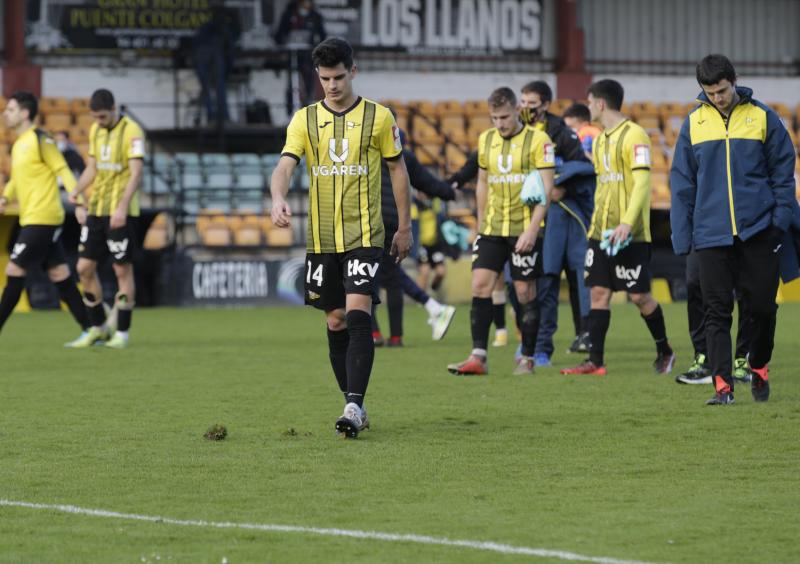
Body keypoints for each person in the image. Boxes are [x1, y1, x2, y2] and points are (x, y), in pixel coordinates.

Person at [270, 37, 412, 438]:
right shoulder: (304, 120)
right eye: (324, 78)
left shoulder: (379, 118)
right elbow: (285, 164)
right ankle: (354, 401)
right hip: (322, 238)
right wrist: (277, 197)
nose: (331, 85)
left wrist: (404, 227)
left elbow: (399, 172)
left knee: (356, 313)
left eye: (338, 77)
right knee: (334, 320)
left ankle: (353, 405)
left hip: (365, 234)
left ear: (353, 71)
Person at [670, 54, 796, 405]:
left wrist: (778, 222)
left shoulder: (763, 118)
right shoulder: (693, 124)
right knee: (716, 310)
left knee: (761, 308)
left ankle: (759, 366)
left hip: (759, 231)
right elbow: (682, 185)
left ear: (734, 81)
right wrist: (684, 236)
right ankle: (722, 386)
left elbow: (783, 175)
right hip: (710, 234)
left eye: (722, 90)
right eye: (710, 93)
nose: (718, 98)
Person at [561, 79, 675, 377]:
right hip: (600, 233)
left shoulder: (635, 135)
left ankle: (665, 350)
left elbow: (643, 183)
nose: (588, 108)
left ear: (600, 103)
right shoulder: (599, 140)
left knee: (639, 296)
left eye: (589, 103)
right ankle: (595, 362)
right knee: (598, 293)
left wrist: (627, 222)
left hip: (631, 233)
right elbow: (603, 185)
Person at [447, 87, 555, 376]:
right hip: (493, 227)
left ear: (516, 111)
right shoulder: (486, 140)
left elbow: (547, 187)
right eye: (494, 118)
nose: (500, 123)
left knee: (523, 291)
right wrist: (481, 222)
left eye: (505, 117)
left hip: (524, 228)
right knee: (480, 285)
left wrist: (533, 229)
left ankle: (528, 358)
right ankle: (478, 356)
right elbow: (482, 181)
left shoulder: (539, 140)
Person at [0, 91, 92, 345]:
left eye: (11, 109)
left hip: (44, 217)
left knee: (14, 269)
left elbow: (62, 168)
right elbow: (17, 179)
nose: (6, 113)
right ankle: (91, 328)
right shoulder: (19, 144)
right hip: (32, 217)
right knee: (59, 274)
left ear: (25, 113)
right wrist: (5, 197)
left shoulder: (41, 140)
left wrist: (79, 199)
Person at [518, 81, 593, 364]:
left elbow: (585, 166)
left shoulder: (560, 132)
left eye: (531, 104)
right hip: (524, 219)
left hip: (557, 219)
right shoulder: (515, 132)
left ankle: (541, 347)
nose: (526, 109)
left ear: (546, 105)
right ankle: (528, 340)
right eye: (523, 103)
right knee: (523, 285)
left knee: (548, 283)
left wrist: (559, 184)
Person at [67, 89, 145, 349]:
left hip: (121, 212)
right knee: (83, 269)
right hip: (97, 209)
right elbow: (93, 167)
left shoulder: (132, 131)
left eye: (102, 116)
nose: (98, 121)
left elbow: (136, 174)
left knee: (122, 269)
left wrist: (122, 207)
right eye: (95, 117)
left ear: (113, 109)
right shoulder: (95, 130)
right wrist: (77, 190)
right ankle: (98, 327)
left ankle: (122, 332)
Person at [372, 139, 457, 347]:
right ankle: (396, 336)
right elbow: (427, 182)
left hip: (372, 220)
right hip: (395, 222)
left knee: (366, 276)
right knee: (391, 277)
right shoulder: (402, 152)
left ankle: (373, 333)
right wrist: (450, 191)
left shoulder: (366, 149)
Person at [193, 4, 241, 125]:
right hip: (211, 57)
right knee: (219, 87)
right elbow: (230, 50)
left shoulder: (207, 28)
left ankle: (213, 118)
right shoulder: (223, 29)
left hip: (203, 57)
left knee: (209, 88)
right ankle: (222, 117)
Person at [274, 1, 326, 111]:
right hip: (291, 55)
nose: (306, 4)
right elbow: (278, 35)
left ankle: (306, 110)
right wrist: (284, 43)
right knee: (291, 84)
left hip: (308, 56)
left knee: (308, 83)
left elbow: (322, 36)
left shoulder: (315, 16)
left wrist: (317, 49)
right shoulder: (289, 14)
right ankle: (290, 111)